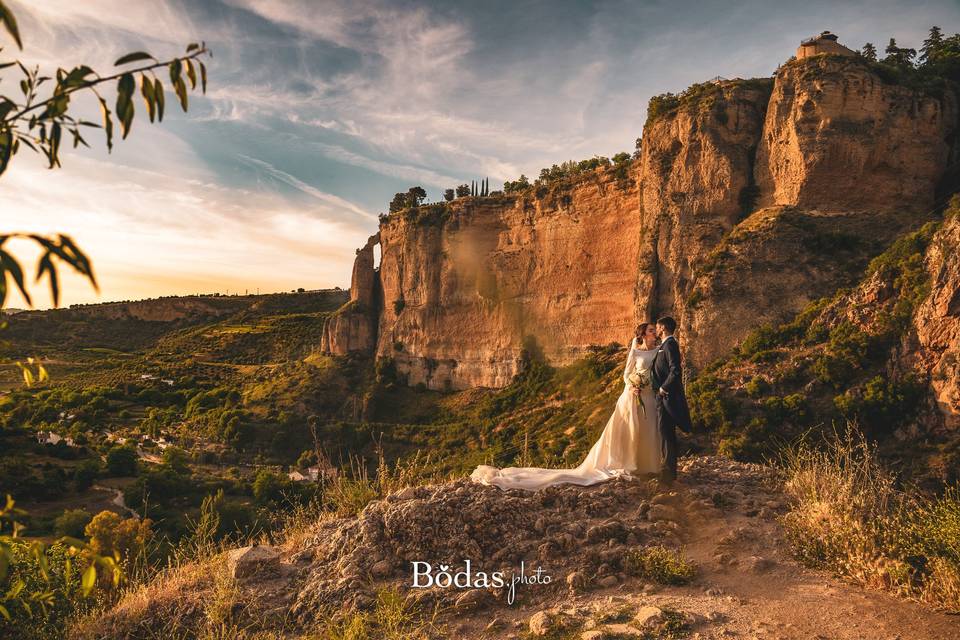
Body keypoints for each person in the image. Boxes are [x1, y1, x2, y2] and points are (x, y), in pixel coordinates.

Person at [471, 323, 662, 491]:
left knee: (648, 428)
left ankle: (648, 466)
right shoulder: (635, 352)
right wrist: (632, 386)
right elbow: (626, 374)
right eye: (651, 330)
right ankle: (631, 464)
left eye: (655, 330)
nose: (655, 333)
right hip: (632, 396)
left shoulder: (660, 350)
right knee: (630, 430)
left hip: (649, 395)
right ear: (643, 335)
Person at [650, 316, 692, 483]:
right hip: (663, 397)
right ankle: (668, 471)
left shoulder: (670, 344)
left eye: (658, 327)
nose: (656, 329)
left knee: (666, 434)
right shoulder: (665, 345)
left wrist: (663, 388)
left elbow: (675, 371)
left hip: (666, 397)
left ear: (664, 328)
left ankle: (668, 475)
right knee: (665, 433)